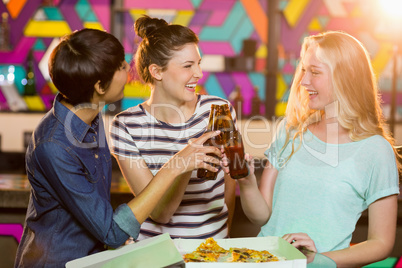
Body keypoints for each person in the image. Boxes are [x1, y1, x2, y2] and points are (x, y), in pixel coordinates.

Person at [14, 28, 222, 267]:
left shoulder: (89, 113)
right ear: (100, 87)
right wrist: (176, 165)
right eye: (121, 67)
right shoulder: (54, 146)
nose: (130, 69)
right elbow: (112, 232)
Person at [238, 30, 400, 267]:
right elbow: (261, 216)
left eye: (315, 72)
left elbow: (381, 243)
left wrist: (319, 260)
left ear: (348, 76)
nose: (304, 81)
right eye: (304, 70)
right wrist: (246, 180)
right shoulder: (291, 130)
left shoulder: (376, 151)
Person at [110, 15, 238, 240]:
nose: (198, 73)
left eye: (198, 63)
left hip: (212, 251)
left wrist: (223, 237)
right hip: (154, 255)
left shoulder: (219, 109)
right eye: (188, 66)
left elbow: (230, 185)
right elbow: (160, 213)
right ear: (157, 72)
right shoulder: (125, 126)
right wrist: (183, 163)